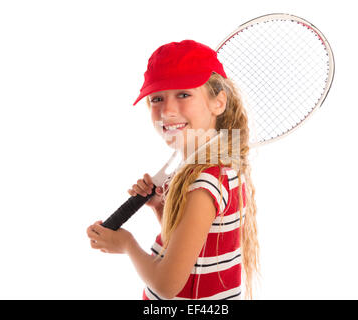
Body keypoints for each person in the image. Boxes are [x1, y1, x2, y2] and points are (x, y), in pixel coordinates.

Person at [86, 40, 259, 299]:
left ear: (218, 102)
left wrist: (127, 244)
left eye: (184, 94)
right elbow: (198, 247)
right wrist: (161, 209)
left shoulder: (204, 182)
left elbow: (167, 285)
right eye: (157, 98)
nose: (166, 110)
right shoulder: (209, 171)